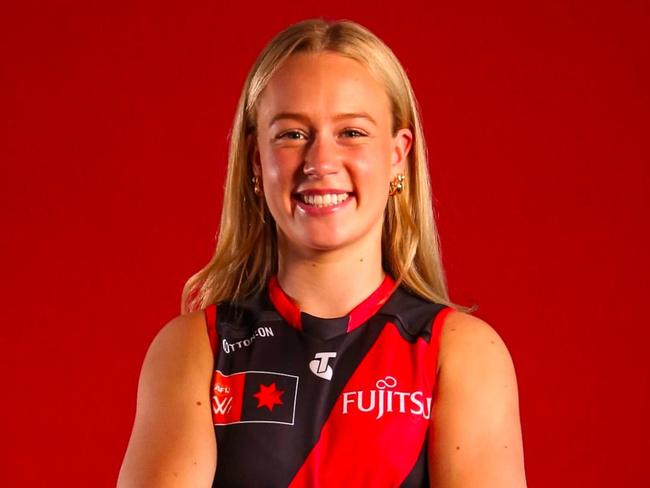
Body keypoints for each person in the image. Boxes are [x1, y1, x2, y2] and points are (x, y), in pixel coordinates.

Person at [117, 18, 527, 487]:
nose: (321, 162)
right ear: (256, 160)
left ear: (398, 155)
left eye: (352, 132)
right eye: (292, 134)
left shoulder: (459, 353)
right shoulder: (197, 349)